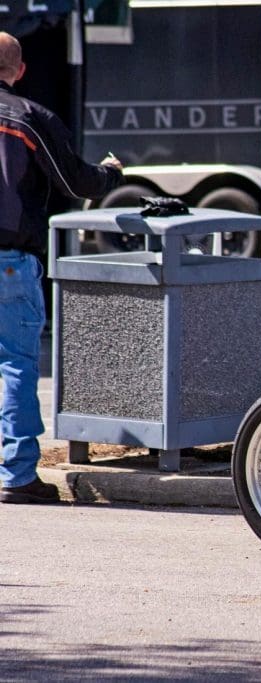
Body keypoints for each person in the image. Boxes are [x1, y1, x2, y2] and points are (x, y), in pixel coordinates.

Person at [0, 31, 124, 504]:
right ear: (21, 70)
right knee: (16, 367)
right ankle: (18, 475)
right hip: (11, 262)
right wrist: (111, 172)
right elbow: (77, 181)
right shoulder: (30, 118)